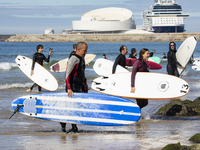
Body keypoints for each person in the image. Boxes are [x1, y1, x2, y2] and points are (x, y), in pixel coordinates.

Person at [60, 42, 88, 133]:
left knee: (77, 107)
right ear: (79, 50)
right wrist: (69, 88)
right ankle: (71, 126)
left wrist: (85, 84)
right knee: (72, 107)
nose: (86, 52)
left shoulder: (82, 59)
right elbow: (67, 73)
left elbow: (82, 73)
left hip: (79, 85)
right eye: (84, 51)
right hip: (72, 86)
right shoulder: (73, 59)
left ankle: (69, 124)